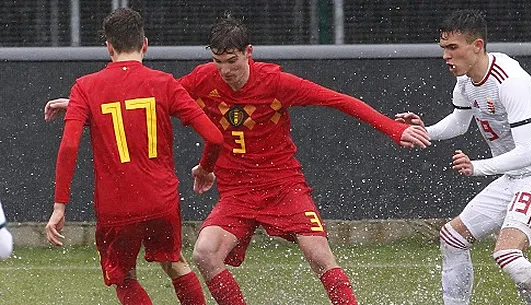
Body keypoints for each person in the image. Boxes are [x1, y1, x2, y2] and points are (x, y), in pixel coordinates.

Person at [45, 15, 431, 305]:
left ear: (249, 53)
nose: (225, 71)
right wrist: (86, 107)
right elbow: (146, 100)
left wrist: (393, 129)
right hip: (236, 192)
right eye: (218, 62)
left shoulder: (277, 82)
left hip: (283, 185)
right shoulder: (202, 79)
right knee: (204, 254)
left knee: (317, 253)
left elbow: (339, 100)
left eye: (232, 61)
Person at [44, 8, 224, 305]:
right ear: (145, 45)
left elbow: (69, 147)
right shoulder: (165, 83)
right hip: (160, 199)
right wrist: (205, 168)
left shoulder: (85, 87)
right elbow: (215, 137)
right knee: (175, 264)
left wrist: (59, 206)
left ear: (109, 47)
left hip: (117, 204)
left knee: (125, 276)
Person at [395, 9, 531, 305]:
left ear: (477, 46)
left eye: (453, 48)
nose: (446, 56)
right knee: (452, 237)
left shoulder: (509, 81)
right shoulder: (465, 80)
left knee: (506, 252)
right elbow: (459, 123)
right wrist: (424, 130)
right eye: (443, 49)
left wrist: (477, 167)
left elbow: (527, 153)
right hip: (516, 176)